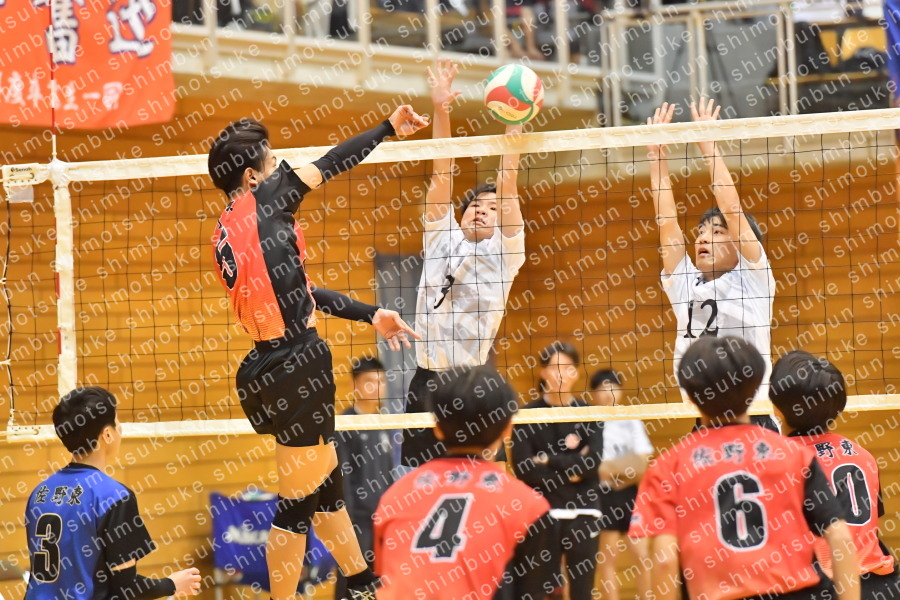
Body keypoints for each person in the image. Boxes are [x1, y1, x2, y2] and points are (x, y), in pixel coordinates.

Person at [207, 107, 428, 600]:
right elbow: (332, 161)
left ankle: (364, 584)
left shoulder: (225, 229)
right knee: (295, 505)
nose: (281, 166)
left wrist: (372, 313)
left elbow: (301, 292)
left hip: (271, 365)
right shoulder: (266, 199)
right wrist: (388, 128)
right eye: (272, 161)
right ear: (251, 177)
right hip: (296, 365)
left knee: (326, 494)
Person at [629, 336, 860, 600]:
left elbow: (664, 560)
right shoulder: (795, 455)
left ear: (690, 396)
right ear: (755, 390)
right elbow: (841, 538)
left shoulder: (668, 467)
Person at [403, 59, 527, 468]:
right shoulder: (442, 235)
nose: (481, 210)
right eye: (474, 205)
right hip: (427, 380)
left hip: (473, 382)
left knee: (489, 478)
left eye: (491, 208)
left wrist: (514, 126)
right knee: (422, 483)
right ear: (461, 215)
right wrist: (441, 110)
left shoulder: (506, 253)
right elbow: (442, 171)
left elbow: (508, 185)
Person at [646, 100, 778, 430]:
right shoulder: (685, 284)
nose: (704, 237)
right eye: (701, 232)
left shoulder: (753, 278)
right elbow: (666, 222)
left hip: (754, 419)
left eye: (717, 232)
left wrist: (708, 146)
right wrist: (656, 157)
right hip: (704, 420)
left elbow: (732, 210)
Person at [373, 366, 553, 600]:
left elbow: (387, 578)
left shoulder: (395, 497)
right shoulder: (528, 507)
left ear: (437, 428)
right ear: (508, 429)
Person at [24, 387, 202, 600]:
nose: (121, 429)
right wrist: (171, 584)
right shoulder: (113, 496)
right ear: (107, 435)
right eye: (117, 423)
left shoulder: (40, 492)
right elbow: (125, 588)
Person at [769, 351, 900, 598]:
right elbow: (871, 527)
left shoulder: (777, 461)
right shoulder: (863, 455)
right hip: (881, 586)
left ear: (776, 407)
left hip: (824, 588)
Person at [509, 342, 604, 600]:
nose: (561, 374)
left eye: (567, 368)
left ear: (577, 372)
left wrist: (547, 459)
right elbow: (524, 469)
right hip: (543, 512)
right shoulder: (526, 415)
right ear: (543, 372)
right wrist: (572, 468)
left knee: (582, 591)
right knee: (544, 591)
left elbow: (592, 464)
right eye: (555, 367)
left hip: (584, 510)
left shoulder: (589, 414)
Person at [587, 369, 652, 600]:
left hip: (631, 494)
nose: (608, 393)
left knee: (642, 556)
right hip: (604, 496)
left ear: (621, 390)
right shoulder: (589, 422)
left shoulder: (631, 418)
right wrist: (623, 466)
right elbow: (594, 466)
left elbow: (643, 461)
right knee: (608, 559)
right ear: (593, 393)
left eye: (613, 387)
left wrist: (615, 470)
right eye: (602, 388)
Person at [334, 357, 396, 597]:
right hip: (356, 522)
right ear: (355, 385)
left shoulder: (383, 422)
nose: (377, 387)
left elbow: (389, 476)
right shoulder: (345, 424)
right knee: (351, 582)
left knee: (379, 585)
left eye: (381, 381)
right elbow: (342, 480)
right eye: (369, 381)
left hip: (381, 521)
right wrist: (346, 526)